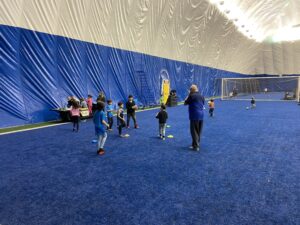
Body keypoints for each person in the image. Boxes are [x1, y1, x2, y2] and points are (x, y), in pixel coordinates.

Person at [184, 84, 205, 151]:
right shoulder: (202, 96)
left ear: (191, 90)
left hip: (194, 115)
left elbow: (185, 103)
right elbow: (202, 104)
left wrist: (189, 95)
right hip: (201, 115)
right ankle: (195, 144)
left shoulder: (191, 96)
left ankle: (196, 146)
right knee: (198, 131)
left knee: (194, 131)